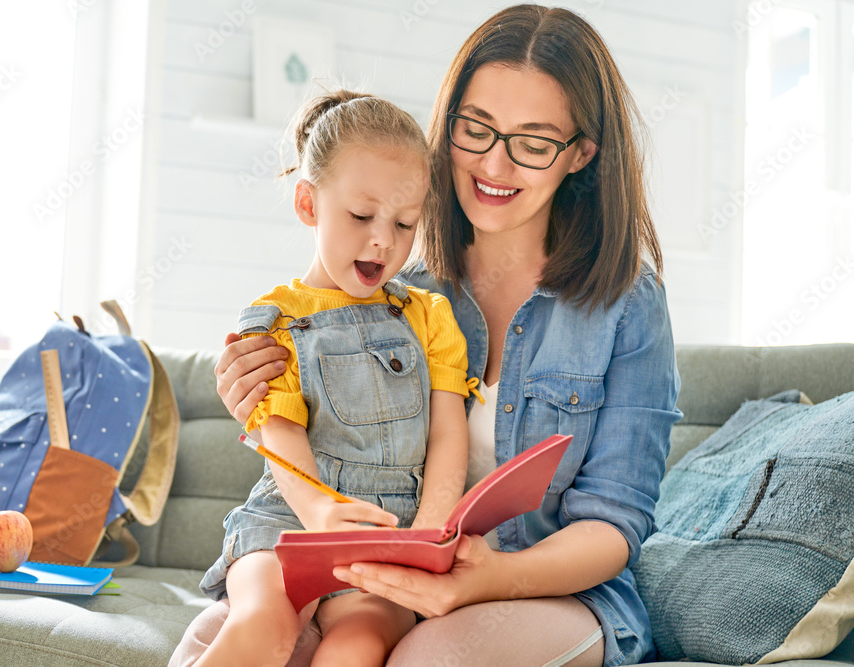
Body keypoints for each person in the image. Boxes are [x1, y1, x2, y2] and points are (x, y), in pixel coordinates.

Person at [183, 4, 682, 666]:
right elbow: (295, 417)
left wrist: (487, 578)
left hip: (548, 590)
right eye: (476, 129)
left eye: (533, 143)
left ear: (580, 156)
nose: (495, 165)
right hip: (387, 575)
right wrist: (250, 386)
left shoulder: (625, 303)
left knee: (430, 658)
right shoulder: (394, 289)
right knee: (209, 641)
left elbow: (614, 524)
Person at [172, 90, 474, 667]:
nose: (383, 239)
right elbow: (279, 435)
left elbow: (447, 434)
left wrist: (429, 534)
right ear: (308, 204)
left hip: (387, 536)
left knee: (355, 647)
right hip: (287, 522)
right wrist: (316, 514)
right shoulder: (274, 321)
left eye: (405, 223)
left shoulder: (430, 317)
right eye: (361, 216)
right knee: (263, 627)